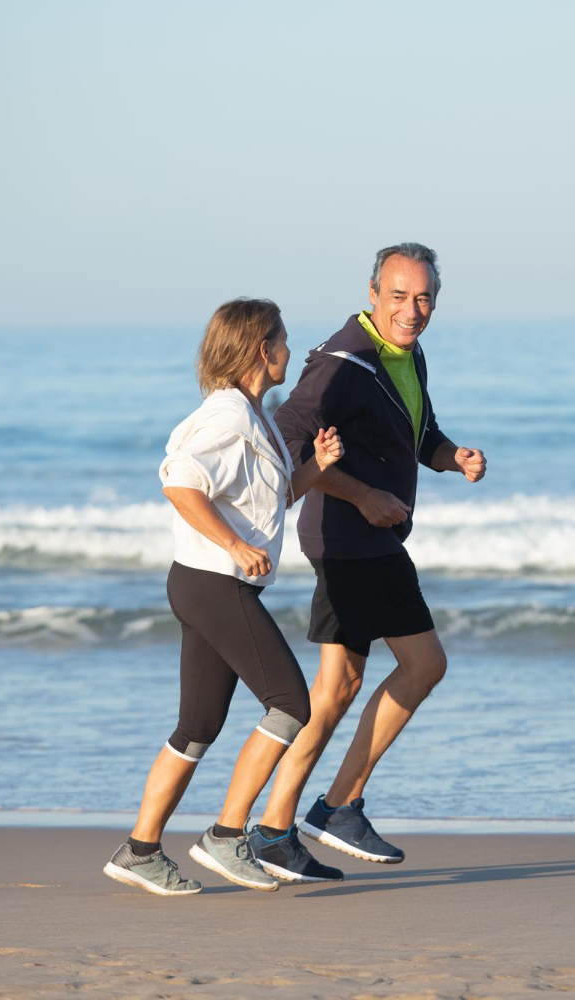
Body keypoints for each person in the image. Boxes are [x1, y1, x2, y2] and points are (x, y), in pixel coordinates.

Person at [246, 243, 487, 883]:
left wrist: (450, 455)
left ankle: (273, 830)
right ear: (373, 293)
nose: (413, 310)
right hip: (353, 541)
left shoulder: (403, 355)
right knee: (425, 663)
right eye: (400, 296)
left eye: (425, 298)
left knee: (336, 690)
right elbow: (290, 432)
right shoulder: (344, 360)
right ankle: (340, 805)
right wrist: (362, 494)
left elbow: (418, 434)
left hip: (361, 541)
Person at [102, 297, 344, 896]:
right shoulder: (228, 418)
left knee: (197, 726)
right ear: (263, 349)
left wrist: (315, 467)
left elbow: (274, 499)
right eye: (284, 340)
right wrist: (235, 547)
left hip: (200, 582)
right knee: (291, 703)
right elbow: (178, 482)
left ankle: (139, 851)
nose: (291, 350)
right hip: (214, 581)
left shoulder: (254, 417)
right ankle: (227, 835)